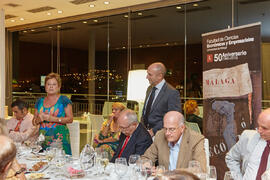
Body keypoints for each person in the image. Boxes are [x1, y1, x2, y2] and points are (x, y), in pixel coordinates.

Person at [141, 111, 206, 172]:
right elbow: (146, 157)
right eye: (165, 128)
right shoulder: (160, 136)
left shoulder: (196, 139)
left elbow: (200, 169)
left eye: (171, 129)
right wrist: (147, 164)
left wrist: (170, 174)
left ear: (182, 128)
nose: (167, 133)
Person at [33, 72, 73, 155]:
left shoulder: (64, 100)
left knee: (61, 164)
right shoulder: (39, 101)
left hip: (60, 139)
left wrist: (52, 119)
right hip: (43, 139)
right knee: (44, 163)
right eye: (48, 84)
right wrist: (38, 119)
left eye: (54, 84)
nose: (51, 86)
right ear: (45, 86)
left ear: (59, 87)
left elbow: (70, 119)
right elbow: (34, 122)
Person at [225, 108, 270, 180]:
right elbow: (231, 158)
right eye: (259, 125)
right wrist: (238, 178)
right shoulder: (248, 137)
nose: (259, 131)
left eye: (264, 128)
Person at [142, 62, 181, 137]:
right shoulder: (149, 89)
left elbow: (173, 117)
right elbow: (145, 111)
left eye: (150, 74)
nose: (147, 77)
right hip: (145, 134)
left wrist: (153, 131)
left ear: (160, 76)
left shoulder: (172, 92)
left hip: (160, 136)